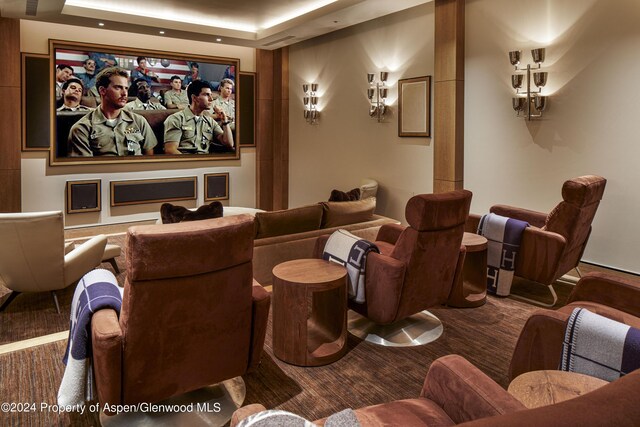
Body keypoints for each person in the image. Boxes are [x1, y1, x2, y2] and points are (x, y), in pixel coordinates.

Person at [69, 67, 157, 157]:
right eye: (118, 88)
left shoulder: (139, 121)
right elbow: (86, 167)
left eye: (126, 88)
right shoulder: (82, 128)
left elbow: (148, 155)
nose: (124, 93)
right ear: (102, 90)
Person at [163, 80, 234, 154]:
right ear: (194, 98)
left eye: (211, 95)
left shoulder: (210, 121)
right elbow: (170, 150)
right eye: (206, 95)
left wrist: (225, 122)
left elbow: (229, 144)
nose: (211, 99)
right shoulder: (176, 119)